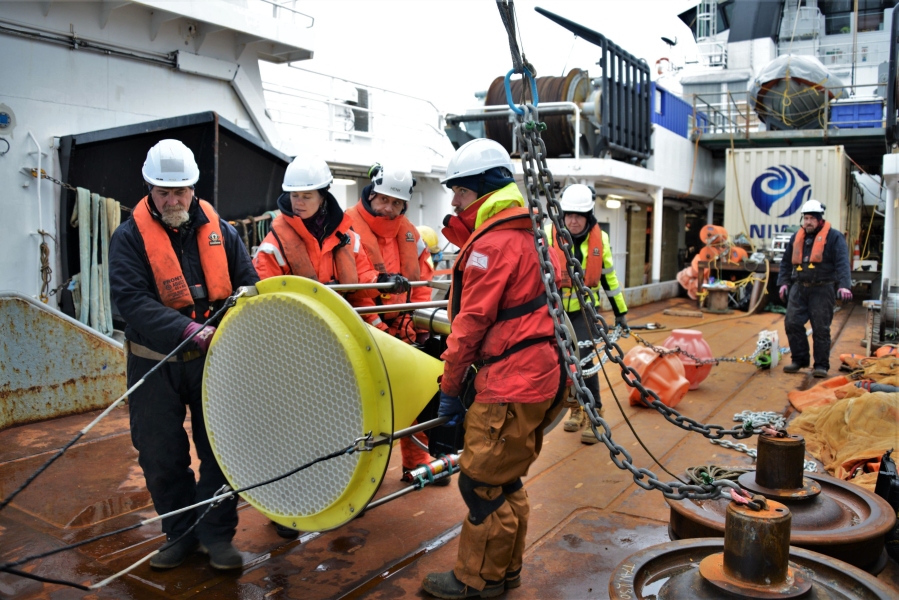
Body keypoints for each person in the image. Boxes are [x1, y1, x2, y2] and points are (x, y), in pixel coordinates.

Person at [421, 139, 566, 599]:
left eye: (458, 193)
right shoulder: (530, 234)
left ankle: (474, 581)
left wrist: (450, 385)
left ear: (480, 192)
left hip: (509, 382)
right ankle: (506, 572)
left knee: (480, 482)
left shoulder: (493, 245)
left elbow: (469, 325)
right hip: (540, 374)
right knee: (506, 478)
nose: (453, 202)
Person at [109, 139, 259, 570]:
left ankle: (217, 537)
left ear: (194, 188)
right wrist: (188, 329)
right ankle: (181, 534)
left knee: (221, 449)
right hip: (154, 362)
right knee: (159, 453)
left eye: (180, 191)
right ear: (149, 190)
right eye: (163, 192)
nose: (173, 200)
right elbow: (130, 300)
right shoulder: (128, 238)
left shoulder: (223, 232)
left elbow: (247, 283)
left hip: (213, 361)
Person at [345, 163, 443, 483]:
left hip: (403, 329)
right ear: (371, 194)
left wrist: (423, 325)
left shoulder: (411, 236)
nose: (388, 208)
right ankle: (354, 476)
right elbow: (351, 282)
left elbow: (423, 282)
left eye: (396, 203)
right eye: (383, 200)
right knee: (360, 406)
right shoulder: (347, 226)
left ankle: (416, 462)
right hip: (359, 330)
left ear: (404, 205)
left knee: (415, 395)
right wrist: (378, 324)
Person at [547, 184, 628, 445]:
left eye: (578, 215)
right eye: (568, 214)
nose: (572, 220)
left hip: (583, 312)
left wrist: (621, 312)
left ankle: (595, 415)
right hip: (557, 312)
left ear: (588, 216)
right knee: (560, 363)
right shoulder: (551, 236)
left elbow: (609, 279)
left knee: (587, 364)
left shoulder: (599, 239)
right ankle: (576, 410)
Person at [253, 155, 379, 292]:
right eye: (294, 195)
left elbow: (362, 277)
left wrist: (381, 282)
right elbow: (265, 295)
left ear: (322, 198)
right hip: (295, 313)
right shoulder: (272, 246)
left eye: (307, 196)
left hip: (338, 313)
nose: (299, 202)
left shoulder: (347, 237)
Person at [778, 199, 852, 378]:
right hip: (799, 287)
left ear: (820, 219)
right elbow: (786, 263)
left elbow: (842, 262)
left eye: (812, 218)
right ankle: (799, 359)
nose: (808, 222)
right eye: (806, 218)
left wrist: (844, 286)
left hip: (823, 288)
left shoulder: (834, 237)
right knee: (792, 323)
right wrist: (783, 283)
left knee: (821, 328)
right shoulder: (796, 237)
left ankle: (821, 365)